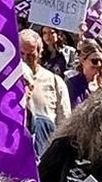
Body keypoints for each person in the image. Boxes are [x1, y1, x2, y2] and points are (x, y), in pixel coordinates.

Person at [19, 29, 70, 157]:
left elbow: (64, 123)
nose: (25, 59)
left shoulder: (55, 82)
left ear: (39, 53)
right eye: (21, 54)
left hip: (44, 152)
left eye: (31, 55)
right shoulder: (6, 81)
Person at [64, 40, 102, 110]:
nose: (99, 65)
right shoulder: (73, 83)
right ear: (82, 60)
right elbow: (76, 109)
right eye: (94, 61)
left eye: (101, 61)